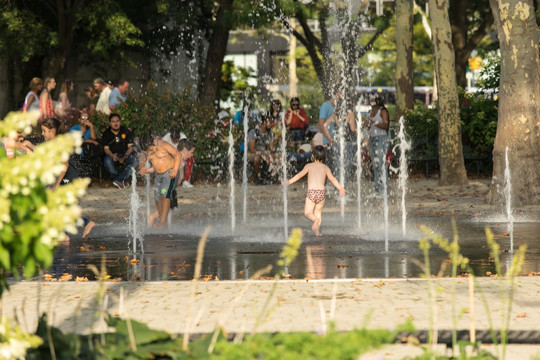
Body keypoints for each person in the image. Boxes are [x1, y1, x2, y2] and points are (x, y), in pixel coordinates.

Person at [41, 117, 95, 239]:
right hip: (65, 178)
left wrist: (56, 185)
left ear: (52, 130)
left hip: (68, 178)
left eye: (44, 131)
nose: (42, 133)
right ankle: (67, 234)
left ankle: (79, 227)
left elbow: (65, 165)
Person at [284, 145, 346, 236]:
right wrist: (340, 188)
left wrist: (289, 181)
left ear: (312, 156)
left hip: (311, 192)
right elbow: (333, 179)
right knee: (318, 212)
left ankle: (315, 220)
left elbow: (299, 175)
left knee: (308, 212)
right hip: (321, 193)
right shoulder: (325, 168)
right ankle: (317, 232)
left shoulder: (309, 166)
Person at [138, 135, 186, 228]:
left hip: (170, 173)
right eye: (148, 151)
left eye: (151, 149)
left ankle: (163, 221)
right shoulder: (146, 149)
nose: (151, 152)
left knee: (164, 195)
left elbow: (177, 154)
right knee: (157, 197)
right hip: (158, 175)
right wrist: (142, 167)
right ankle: (162, 220)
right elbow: (142, 159)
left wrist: (175, 169)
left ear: (153, 143)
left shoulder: (163, 144)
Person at [101, 113, 138, 188]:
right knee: (107, 161)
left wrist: (125, 156)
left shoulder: (126, 131)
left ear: (120, 122)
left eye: (117, 121)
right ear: (110, 123)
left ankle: (119, 180)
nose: (115, 123)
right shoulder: (106, 133)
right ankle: (121, 180)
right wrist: (112, 156)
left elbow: (130, 147)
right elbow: (106, 149)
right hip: (112, 155)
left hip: (126, 154)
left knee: (135, 161)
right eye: (113, 122)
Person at [323, 102, 357, 183]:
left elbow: (325, 125)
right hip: (347, 143)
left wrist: (330, 138)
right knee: (346, 166)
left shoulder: (334, 115)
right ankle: (342, 187)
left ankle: (337, 188)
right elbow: (352, 129)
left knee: (337, 166)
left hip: (337, 143)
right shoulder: (350, 114)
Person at [366, 92, 390, 198]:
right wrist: (365, 124)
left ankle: (385, 190)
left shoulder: (382, 111)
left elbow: (385, 125)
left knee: (381, 164)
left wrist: (373, 123)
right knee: (375, 165)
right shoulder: (370, 111)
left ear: (377, 99)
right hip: (372, 139)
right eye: (370, 98)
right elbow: (368, 126)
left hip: (381, 139)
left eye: (373, 98)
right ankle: (377, 189)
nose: (371, 100)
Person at [247, 117, 278, 184]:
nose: (272, 124)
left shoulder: (270, 132)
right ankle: (259, 177)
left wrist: (271, 152)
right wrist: (264, 156)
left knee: (278, 157)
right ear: (264, 123)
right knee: (257, 158)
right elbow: (252, 149)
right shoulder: (254, 131)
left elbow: (272, 148)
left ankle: (270, 176)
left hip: (264, 152)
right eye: (270, 122)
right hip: (253, 152)